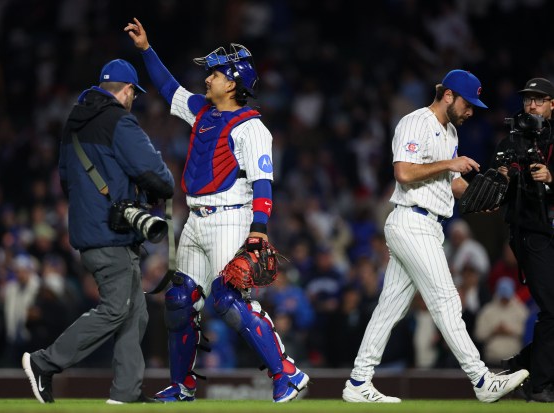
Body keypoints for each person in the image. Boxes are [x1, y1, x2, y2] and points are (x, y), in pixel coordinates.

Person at [124, 18, 309, 403]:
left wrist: (259, 229)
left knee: (228, 300)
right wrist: (146, 50)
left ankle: (286, 373)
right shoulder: (201, 111)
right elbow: (168, 88)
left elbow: (263, 182)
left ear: (234, 82)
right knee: (178, 301)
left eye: (215, 73)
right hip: (195, 219)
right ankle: (182, 385)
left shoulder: (251, 127)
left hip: (231, 217)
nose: (207, 79)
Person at [341, 69, 529, 403]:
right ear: (447, 95)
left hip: (427, 224)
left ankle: (358, 381)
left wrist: (474, 198)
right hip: (412, 220)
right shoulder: (415, 123)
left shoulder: (451, 131)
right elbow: (404, 172)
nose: (471, 110)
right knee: (446, 300)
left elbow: (450, 182)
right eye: (467, 103)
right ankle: (481, 379)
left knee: (389, 309)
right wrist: (448, 164)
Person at [21, 58, 175, 404]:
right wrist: (154, 187)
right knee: (117, 307)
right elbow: (155, 174)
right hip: (111, 234)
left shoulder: (73, 123)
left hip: (90, 228)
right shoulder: (119, 121)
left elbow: (65, 180)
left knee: (135, 310)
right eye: (133, 93)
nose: (134, 99)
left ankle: (126, 392)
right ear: (126, 91)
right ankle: (44, 362)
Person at [497, 77, 554, 402]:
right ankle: (540, 385)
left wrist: (551, 177)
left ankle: (522, 367)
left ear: (552, 105)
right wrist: (503, 176)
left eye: (539, 99)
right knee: (552, 309)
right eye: (528, 99)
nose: (532, 104)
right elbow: (494, 187)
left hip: (550, 230)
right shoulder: (512, 142)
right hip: (531, 232)